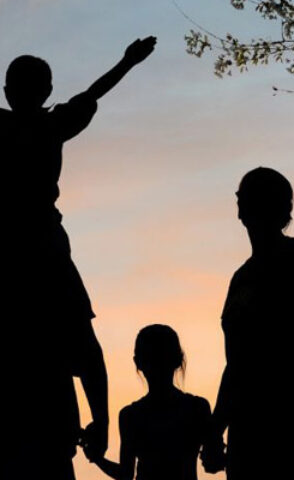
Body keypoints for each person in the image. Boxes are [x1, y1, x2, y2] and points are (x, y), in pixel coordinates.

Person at [0, 37, 156, 479]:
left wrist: (126, 62)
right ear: (45, 92)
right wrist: (102, 419)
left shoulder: (23, 128)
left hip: (31, 247)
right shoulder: (50, 126)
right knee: (77, 333)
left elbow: (92, 94)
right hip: (41, 246)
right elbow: (93, 92)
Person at [202, 167, 294, 479]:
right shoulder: (240, 278)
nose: (244, 204)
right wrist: (215, 429)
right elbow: (234, 363)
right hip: (248, 427)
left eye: (253, 197)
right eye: (244, 197)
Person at [85, 324, 212, 480]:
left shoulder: (130, 415)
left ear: (138, 362)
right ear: (178, 360)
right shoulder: (197, 408)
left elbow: (125, 474)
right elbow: (212, 463)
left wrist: (97, 458)